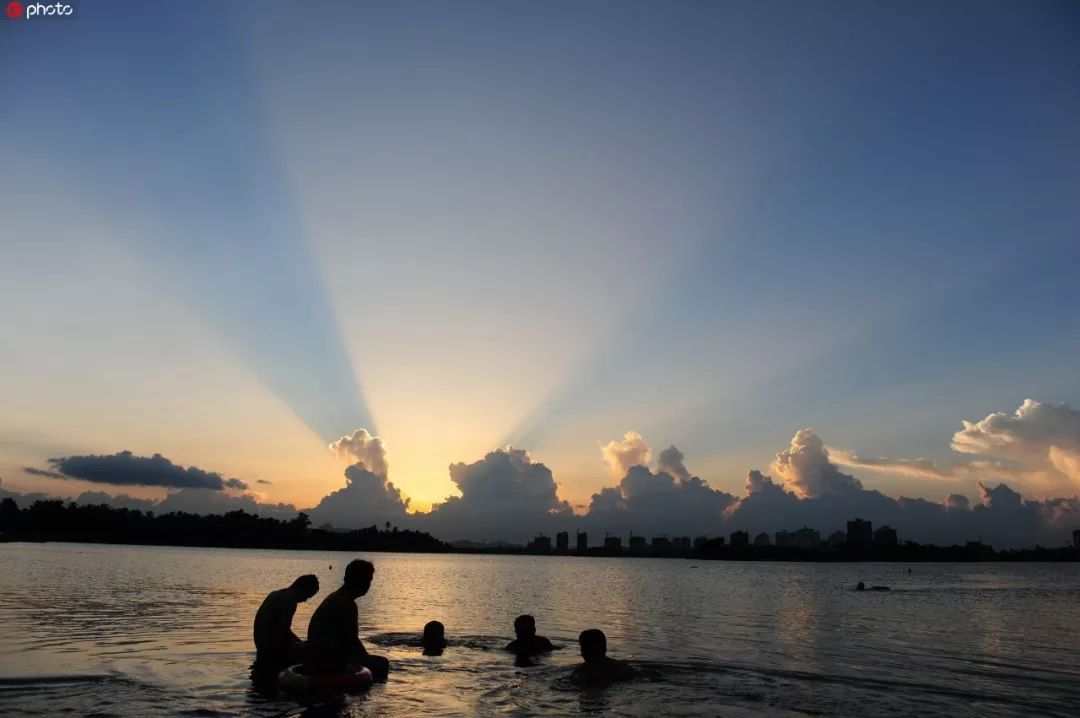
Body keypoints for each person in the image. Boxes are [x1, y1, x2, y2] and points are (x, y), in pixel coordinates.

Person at [304, 559, 390, 680]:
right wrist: (366, 661)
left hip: (318, 653)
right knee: (382, 663)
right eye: (368, 580)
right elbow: (352, 641)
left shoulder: (335, 596)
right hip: (327, 658)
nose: (369, 585)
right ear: (360, 580)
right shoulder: (346, 604)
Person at [252, 574, 319, 670]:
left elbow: (283, 629)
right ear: (302, 589)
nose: (305, 600)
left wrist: (298, 641)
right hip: (271, 649)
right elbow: (282, 633)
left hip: (261, 645)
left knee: (304, 644)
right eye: (307, 596)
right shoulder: (289, 601)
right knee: (315, 650)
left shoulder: (275, 594)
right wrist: (299, 646)